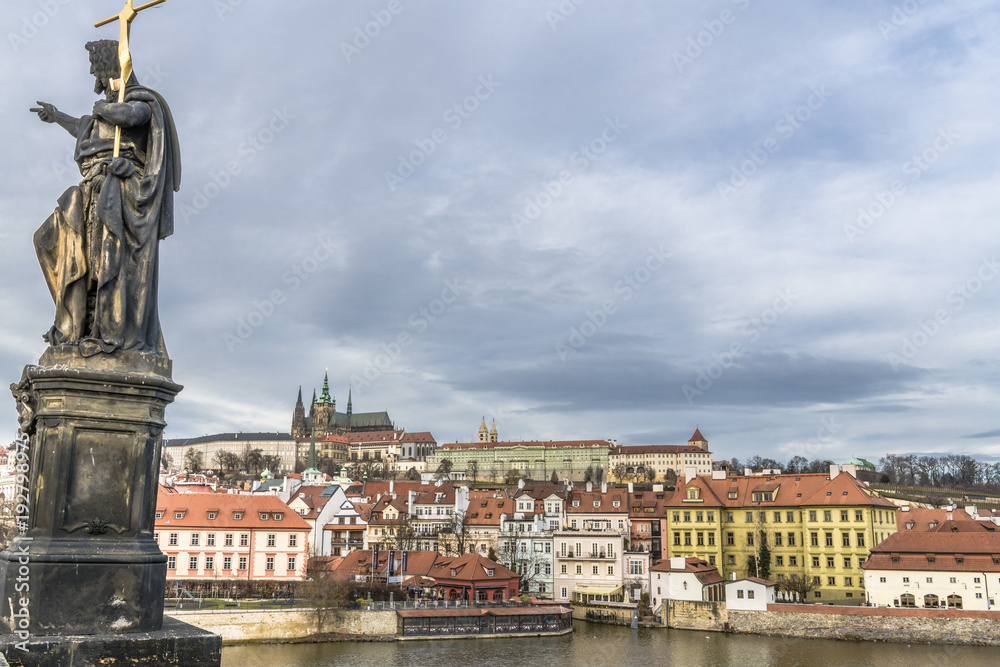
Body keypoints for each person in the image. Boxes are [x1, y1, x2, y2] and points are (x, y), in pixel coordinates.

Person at [31, 39, 180, 357]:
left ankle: (105, 329)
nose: (92, 73)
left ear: (111, 68)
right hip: (86, 192)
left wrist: (106, 109)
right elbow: (86, 127)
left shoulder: (141, 102)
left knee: (104, 263)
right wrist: (57, 116)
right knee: (48, 241)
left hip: (116, 193)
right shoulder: (103, 113)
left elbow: (130, 116)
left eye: (96, 68)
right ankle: (72, 323)